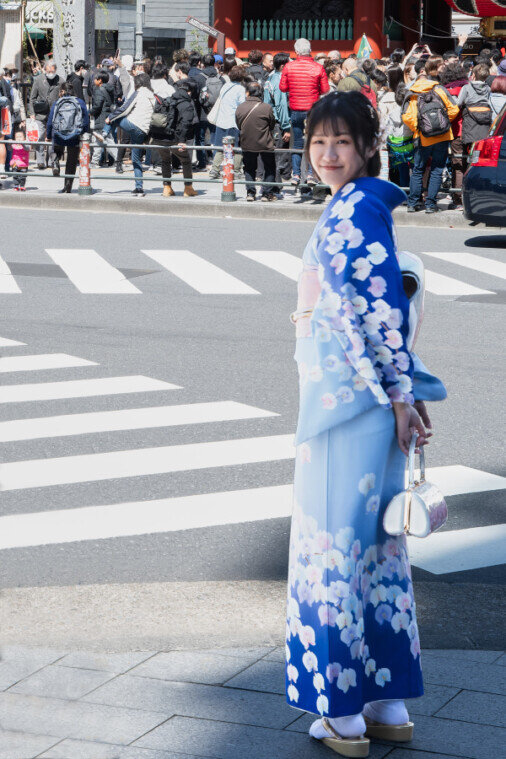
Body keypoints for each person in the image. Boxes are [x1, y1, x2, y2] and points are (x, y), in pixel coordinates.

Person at [286, 90, 446, 756]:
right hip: (374, 407)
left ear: (367, 145)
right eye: (318, 142)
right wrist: (404, 394)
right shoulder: (363, 207)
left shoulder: (353, 212)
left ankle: (344, 715)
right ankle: (387, 702)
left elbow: (375, 315)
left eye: (341, 142)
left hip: (341, 411)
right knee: (378, 553)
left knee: (330, 552)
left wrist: (404, 395)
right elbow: (390, 315)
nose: (327, 154)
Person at [403, 57, 459, 213]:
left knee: (418, 170)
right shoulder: (440, 89)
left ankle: (413, 203)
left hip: (421, 137)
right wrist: (443, 123)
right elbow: (454, 109)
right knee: (436, 169)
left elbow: (406, 116)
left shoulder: (412, 91)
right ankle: (430, 204)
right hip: (442, 135)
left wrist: (418, 127)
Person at [279, 38, 329, 184]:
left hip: (296, 109)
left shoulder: (289, 67)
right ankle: (311, 174)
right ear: (310, 50)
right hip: (313, 110)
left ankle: (296, 175)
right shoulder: (318, 68)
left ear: (296, 51)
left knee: (297, 143)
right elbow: (325, 90)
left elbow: (283, 88)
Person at [107, 72, 155, 197]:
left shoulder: (139, 92)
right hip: (143, 130)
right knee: (136, 159)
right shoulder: (153, 95)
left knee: (115, 118)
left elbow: (125, 109)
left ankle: (104, 132)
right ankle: (139, 188)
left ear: (138, 83)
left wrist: (110, 118)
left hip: (133, 124)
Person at [155, 76, 198, 198]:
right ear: (189, 92)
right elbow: (185, 124)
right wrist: (181, 141)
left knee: (165, 160)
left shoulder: (169, 100)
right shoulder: (187, 104)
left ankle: (167, 188)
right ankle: (188, 188)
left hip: (160, 137)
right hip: (175, 139)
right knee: (185, 161)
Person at [236, 81, 276, 201]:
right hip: (265, 142)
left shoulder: (240, 107)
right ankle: (266, 193)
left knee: (249, 168)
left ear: (247, 93)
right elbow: (272, 124)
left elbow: (239, 125)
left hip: (247, 142)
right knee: (269, 167)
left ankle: (250, 193)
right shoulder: (266, 107)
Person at [46, 81, 89, 193]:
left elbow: (50, 121)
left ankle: (55, 162)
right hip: (74, 135)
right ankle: (68, 186)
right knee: (71, 161)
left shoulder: (57, 103)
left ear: (62, 91)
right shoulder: (80, 102)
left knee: (56, 151)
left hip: (59, 134)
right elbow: (86, 120)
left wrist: (49, 135)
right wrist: (83, 131)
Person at [208, 65, 245, 179]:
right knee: (236, 148)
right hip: (233, 122)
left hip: (221, 121)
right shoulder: (241, 89)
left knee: (220, 147)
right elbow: (242, 106)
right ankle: (237, 170)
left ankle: (214, 170)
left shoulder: (225, 86)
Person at [440, 63, 468, 209]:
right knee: (468, 163)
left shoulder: (444, 91)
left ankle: (458, 199)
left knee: (457, 165)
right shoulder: (466, 88)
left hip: (452, 131)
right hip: (469, 130)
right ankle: (467, 197)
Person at [264, 52, 292, 193]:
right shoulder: (280, 80)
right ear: (283, 66)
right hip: (279, 122)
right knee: (278, 155)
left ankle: (274, 185)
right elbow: (281, 106)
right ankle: (275, 186)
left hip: (270, 120)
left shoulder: (270, 78)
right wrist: (286, 127)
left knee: (274, 154)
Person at [28, 60, 62, 170]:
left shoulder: (60, 81)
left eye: (52, 71)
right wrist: (32, 113)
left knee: (53, 138)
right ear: (44, 70)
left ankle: (53, 161)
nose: (50, 73)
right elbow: (32, 98)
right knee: (40, 136)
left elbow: (63, 97)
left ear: (55, 70)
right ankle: (40, 161)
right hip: (40, 113)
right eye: (48, 71)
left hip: (54, 113)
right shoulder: (38, 80)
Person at [457, 63, 493, 155]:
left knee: (469, 150)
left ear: (473, 75)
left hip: (470, 121)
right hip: (485, 122)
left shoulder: (466, 88)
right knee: (481, 149)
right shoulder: (488, 89)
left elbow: (458, 103)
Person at [90, 71, 113, 168]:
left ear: (100, 80)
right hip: (108, 116)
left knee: (103, 140)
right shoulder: (109, 89)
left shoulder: (99, 90)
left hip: (101, 117)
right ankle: (115, 160)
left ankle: (117, 160)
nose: (93, 81)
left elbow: (97, 106)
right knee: (103, 140)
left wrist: (90, 112)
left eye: (95, 79)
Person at [10, 126, 29, 191]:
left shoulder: (26, 144)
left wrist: (23, 144)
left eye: (20, 137)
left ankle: (22, 185)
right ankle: (16, 186)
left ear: (24, 138)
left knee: (22, 176)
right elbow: (9, 149)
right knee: (15, 175)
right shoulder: (14, 144)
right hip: (14, 163)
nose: (18, 139)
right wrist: (9, 144)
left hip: (23, 164)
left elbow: (27, 149)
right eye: (17, 137)